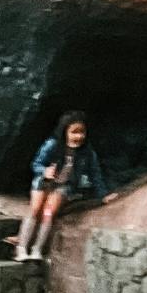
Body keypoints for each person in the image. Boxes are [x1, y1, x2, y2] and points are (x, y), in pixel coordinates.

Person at [20, 110, 108, 263]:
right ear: (65, 131)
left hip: (63, 186)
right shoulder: (52, 145)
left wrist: (103, 195)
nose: (79, 136)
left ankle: (37, 249)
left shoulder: (87, 153)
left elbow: (95, 175)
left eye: (82, 132)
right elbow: (36, 164)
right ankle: (21, 247)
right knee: (35, 209)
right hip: (43, 182)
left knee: (48, 213)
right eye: (74, 132)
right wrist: (44, 171)